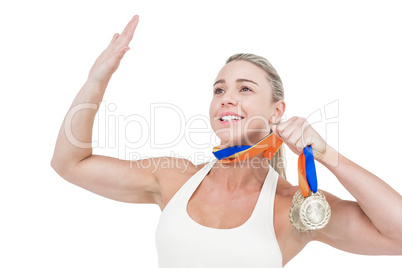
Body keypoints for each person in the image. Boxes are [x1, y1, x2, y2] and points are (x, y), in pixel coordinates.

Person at [51, 15, 402, 267]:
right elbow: (70, 164)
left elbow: (397, 235)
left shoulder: (294, 207)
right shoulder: (175, 178)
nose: (225, 98)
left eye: (244, 89)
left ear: (277, 110)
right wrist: (97, 79)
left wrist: (327, 155)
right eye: (219, 89)